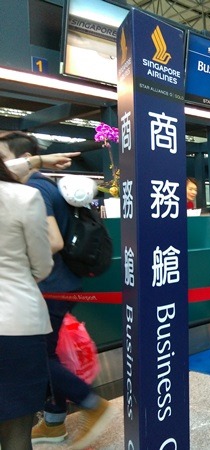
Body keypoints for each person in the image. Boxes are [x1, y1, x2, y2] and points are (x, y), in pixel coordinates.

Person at [0, 131, 115, 450]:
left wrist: (15, 267)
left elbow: (53, 241)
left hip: (47, 285)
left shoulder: (33, 189)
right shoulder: (42, 184)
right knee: (48, 354)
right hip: (58, 283)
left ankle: (91, 403)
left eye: (4, 156)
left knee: (41, 358)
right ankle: (54, 422)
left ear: (20, 158)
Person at [0, 158, 54, 450]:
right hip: (16, 323)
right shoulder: (23, 196)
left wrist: (37, 160)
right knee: (16, 434)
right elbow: (42, 264)